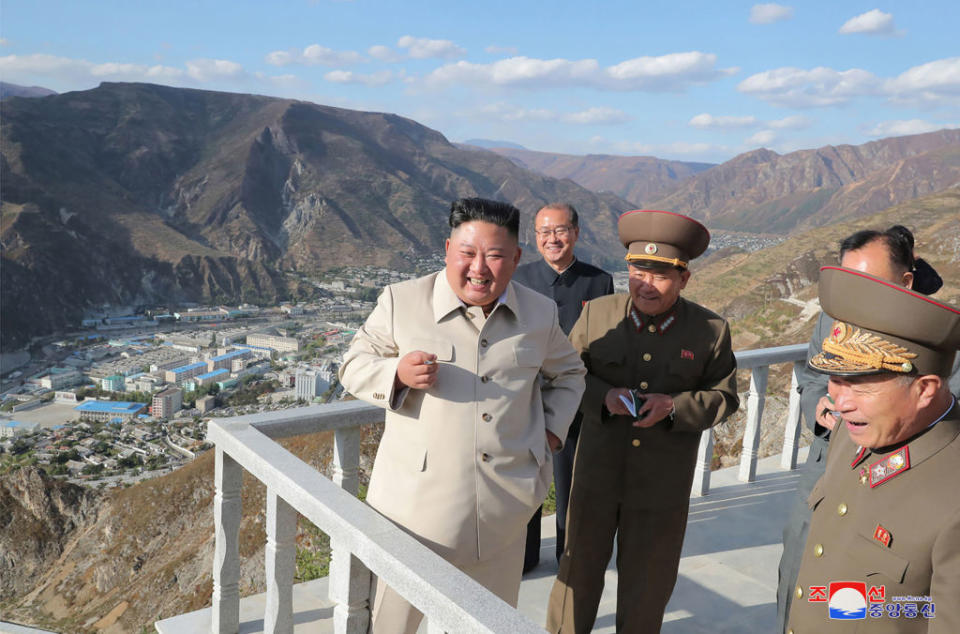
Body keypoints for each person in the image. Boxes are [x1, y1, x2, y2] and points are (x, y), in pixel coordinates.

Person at [338, 197, 586, 634]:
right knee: (393, 624)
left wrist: (548, 432)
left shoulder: (538, 313)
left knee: (487, 623)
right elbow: (352, 365)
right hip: (414, 515)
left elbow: (569, 373)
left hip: (505, 511)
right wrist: (394, 372)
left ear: (516, 258)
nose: (479, 268)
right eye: (468, 253)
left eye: (494, 255)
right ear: (448, 249)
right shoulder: (402, 302)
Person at [546, 209, 740, 633]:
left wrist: (674, 407)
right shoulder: (597, 314)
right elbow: (568, 376)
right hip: (596, 474)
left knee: (647, 586)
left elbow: (724, 397)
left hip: (661, 485)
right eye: (637, 270)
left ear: (685, 278)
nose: (645, 284)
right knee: (576, 575)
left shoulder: (710, 330)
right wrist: (604, 396)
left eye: (660, 274)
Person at [777, 226, 960, 632]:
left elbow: (923, 611)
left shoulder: (931, 340)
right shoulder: (848, 433)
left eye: (859, 384)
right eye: (837, 382)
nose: (841, 401)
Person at [513, 202, 614, 574]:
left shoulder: (599, 281)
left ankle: (568, 555)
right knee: (525, 477)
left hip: (575, 396)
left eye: (559, 231)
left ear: (575, 232)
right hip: (525, 396)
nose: (551, 239)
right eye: (543, 233)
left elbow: (605, 340)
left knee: (570, 478)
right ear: (535, 238)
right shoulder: (519, 277)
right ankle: (523, 556)